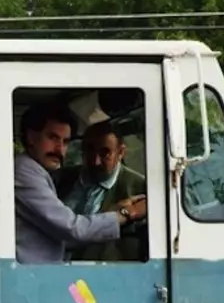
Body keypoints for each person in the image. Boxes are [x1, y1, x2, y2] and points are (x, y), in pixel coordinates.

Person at [13, 103, 146, 264]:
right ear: (31, 137)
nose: (59, 149)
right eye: (53, 138)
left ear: (121, 153)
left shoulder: (141, 187)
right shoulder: (28, 172)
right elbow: (71, 229)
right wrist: (124, 214)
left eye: (66, 141)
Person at [56, 120, 148, 262]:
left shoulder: (139, 189)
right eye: (89, 150)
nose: (95, 161)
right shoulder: (60, 179)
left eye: (105, 153)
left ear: (121, 152)